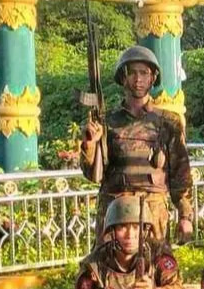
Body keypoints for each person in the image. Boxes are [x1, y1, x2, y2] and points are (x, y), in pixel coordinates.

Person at [81, 45, 194, 243]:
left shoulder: (168, 122)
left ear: (153, 78)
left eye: (144, 73)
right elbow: (93, 175)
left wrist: (185, 216)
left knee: (155, 261)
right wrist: (90, 143)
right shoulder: (106, 122)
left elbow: (180, 174)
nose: (138, 79)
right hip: (115, 212)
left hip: (152, 212)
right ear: (123, 77)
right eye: (132, 73)